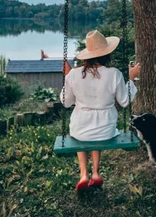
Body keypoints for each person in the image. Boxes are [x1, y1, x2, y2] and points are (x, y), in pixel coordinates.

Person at [60, 29, 141, 192]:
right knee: (96, 131)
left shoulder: (74, 74)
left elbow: (66, 102)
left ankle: (83, 175)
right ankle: (95, 173)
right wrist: (131, 78)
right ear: (106, 54)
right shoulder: (114, 74)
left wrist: (68, 77)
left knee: (83, 135)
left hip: (80, 128)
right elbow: (125, 101)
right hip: (106, 129)